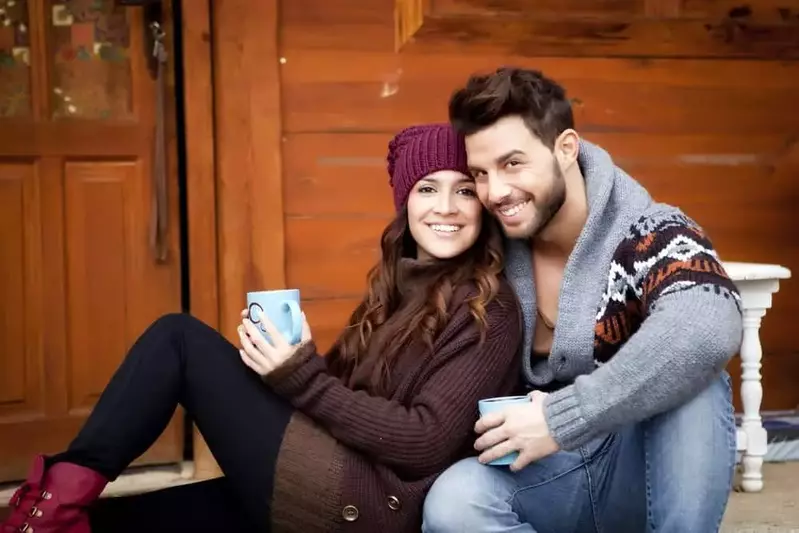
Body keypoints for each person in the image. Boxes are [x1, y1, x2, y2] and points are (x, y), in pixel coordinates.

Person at [2, 124, 524, 533]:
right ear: (404, 202)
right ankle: (52, 511)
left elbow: (425, 440)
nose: (446, 208)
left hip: (366, 508)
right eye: (428, 188)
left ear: (484, 205)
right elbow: (337, 396)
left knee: (179, 340)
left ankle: (46, 504)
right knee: (118, 521)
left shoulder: (489, 310)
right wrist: (289, 363)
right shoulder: (397, 287)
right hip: (331, 474)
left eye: (465, 192)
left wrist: (300, 377)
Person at [421, 67, 744, 533]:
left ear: (566, 149)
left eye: (513, 164)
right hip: (543, 475)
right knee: (454, 503)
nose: (496, 191)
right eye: (481, 173)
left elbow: (707, 325)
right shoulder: (484, 248)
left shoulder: (651, 231)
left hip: (640, 472)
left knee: (695, 377)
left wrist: (563, 417)